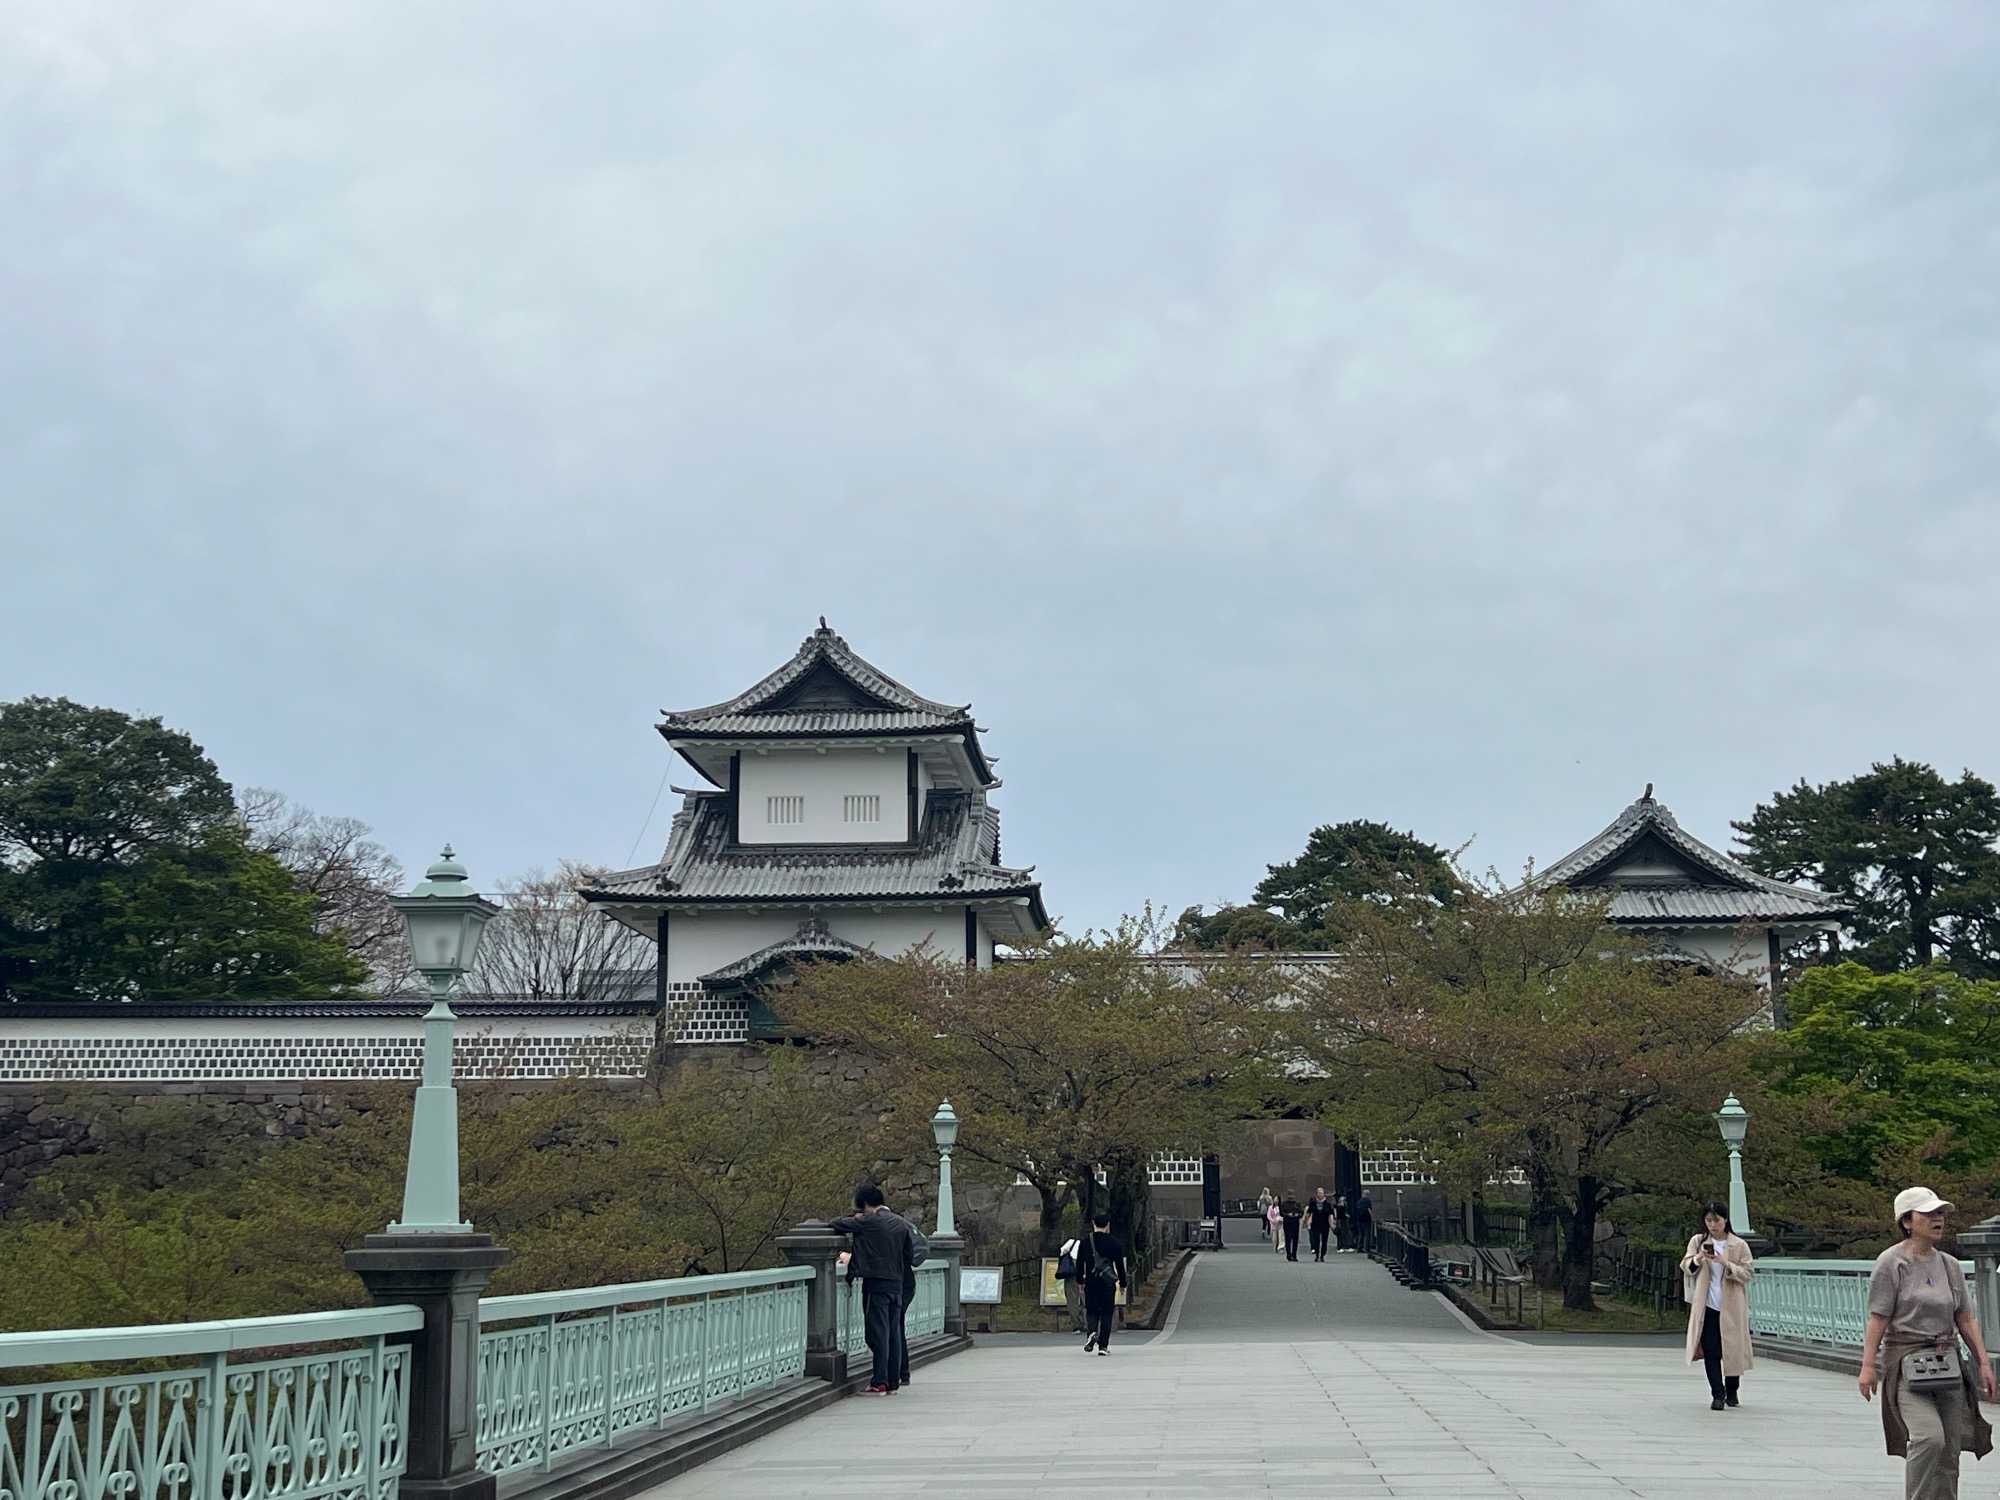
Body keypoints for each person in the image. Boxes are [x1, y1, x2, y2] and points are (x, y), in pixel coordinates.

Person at [1858, 1187, 1996, 1497]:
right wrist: (1868, 1367)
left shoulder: (1949, 1265)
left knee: (1950, 1449)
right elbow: (1878, 1318)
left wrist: (1984, 1363)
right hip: (1906, 1363)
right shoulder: (1891, 1262)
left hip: (1947, 1363)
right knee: (1928, 1438)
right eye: (1929, 1213)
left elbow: (1965, 1318)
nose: (1938, 1219)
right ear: (1907, 1221)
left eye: (1941, 1213)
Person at [831, 1183, 928, 1395]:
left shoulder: (869, 1221)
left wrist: (856, 1218)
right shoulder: (900, 1223)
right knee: (894, 1331)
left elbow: (837, 1223)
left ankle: (879, 1380)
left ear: (864, 1204)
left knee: (878, 1332)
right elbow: (909, 1256)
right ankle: (893, 1381)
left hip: (876, 1283)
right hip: (897, 1283)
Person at [1680, 1203, 1755, 1410]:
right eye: (1709, 1220)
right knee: (1711, 1351)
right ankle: (1717, 1394)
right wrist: (1698, 1258)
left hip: (1731, 1306)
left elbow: (1748, 1273)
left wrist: (1725, 1263)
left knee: (1732, 1350)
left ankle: (1732, 1389)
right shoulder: (1698, 1241)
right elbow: (1686, 1266)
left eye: (1717, 1220)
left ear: (1725, 1220)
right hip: (1707, 1305)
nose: (1713, 1225)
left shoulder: (1738, 1245)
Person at [1077, 1209, 1129, 1355]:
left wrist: (1080, 1281)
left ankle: (1092, 1333)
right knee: (1106, 1313)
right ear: (1107, 1225)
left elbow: (1080, 1264)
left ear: (1093, 1223)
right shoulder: (1114, 1243)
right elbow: (1120, 1266)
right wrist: (1123, 1284)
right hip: (1107, 1283)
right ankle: (1103, 1347)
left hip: (1091, 1282)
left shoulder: (1085, 1242)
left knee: (1091, 1310)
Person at [1306, 1188, 1335, 1262]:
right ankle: (1317, 1255)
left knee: (1324, 1240)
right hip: (1315, 1224)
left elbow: (1330, 1214)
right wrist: (1308, 1221)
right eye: (1319, 1193)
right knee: (1316, 1240)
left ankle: (1322, 1255)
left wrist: (1332, 1224)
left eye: (1322, 1193)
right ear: (1317, 1194)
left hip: (1325, 1224)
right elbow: (1309, 1213)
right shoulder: (1313, 1203)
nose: (1320, 1194)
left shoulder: (1328, 1204)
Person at [1280, 1193, 1304, 1262]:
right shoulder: (1284, 1204)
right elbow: (1281, 1213)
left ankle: (1294, 1255)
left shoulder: (1297, 1204)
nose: (1291, 1197)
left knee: (1295, 1240)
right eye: (1290, 1196)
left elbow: (1301, 1212)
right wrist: (1288, 1215)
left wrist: (1297, 1215)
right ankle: (1289, 1254)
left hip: (1295, 1222)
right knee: (1288, 1239)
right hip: (1287, 1223)